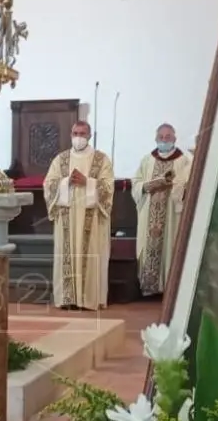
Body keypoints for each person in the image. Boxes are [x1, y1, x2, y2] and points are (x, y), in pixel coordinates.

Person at [42, 120, 114, 310]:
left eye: (82, 133)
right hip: (67, 217)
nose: (79, 137)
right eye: (75, 133)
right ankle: (68, 298)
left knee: (91, 256)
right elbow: (48, 184)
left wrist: (87, 182)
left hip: (92, 217)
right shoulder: (61, 159)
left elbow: (108, 187)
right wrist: (65, 182)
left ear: (89, 136)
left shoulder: (101, 160)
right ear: (71, 135)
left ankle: (89, 299)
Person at [131, 123, 191, 297]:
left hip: (172, 215)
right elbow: (136, 183)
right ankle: (150, 288)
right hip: (148, 213)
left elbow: (188, 184)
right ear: (156, 139)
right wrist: (147, 186)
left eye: (168, 137)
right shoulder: (147, 160)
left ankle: (169, 288)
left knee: (171, 248)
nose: (164, 140)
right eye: (161, 137)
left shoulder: (184, 161)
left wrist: (178, 188)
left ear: (174, 139)